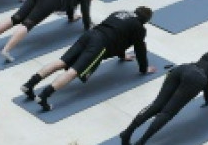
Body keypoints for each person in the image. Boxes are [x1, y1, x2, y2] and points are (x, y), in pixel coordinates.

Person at [119, 42, 208, 145]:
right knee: (167, 112)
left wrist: (207, 98)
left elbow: (205, 76)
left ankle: (127, 132)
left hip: (182, 69)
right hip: (196, 79)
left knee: (156, 105)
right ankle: (141, 143)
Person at [21, 7, 156, 112]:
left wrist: (122, 55)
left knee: (61, 62)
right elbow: (139, 49)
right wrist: (144, 69)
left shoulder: (120, 13)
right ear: (145, 20)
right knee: (74, 71)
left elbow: (119, 35)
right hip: (99, 44)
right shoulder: (139, 28)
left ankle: (29, 85)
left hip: (90, 34)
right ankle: (44, 96)